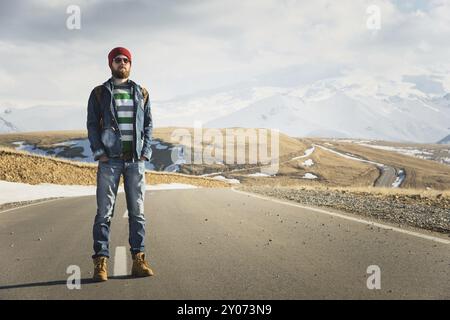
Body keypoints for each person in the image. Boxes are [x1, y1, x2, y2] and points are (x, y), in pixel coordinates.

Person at [86, 47, 154, 281]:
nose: (122, 63)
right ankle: (100, 263)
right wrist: (99, 152)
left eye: (126, 60)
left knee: (138, 212)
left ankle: (139, 260)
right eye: (118, 60)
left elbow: (148, 126)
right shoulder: (99, 93)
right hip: (110, 162)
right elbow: (92, 125)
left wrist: (145, 153)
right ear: (110, 64)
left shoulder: (141, 92)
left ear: (131, 64)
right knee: (104, 212)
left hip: (135, 162)